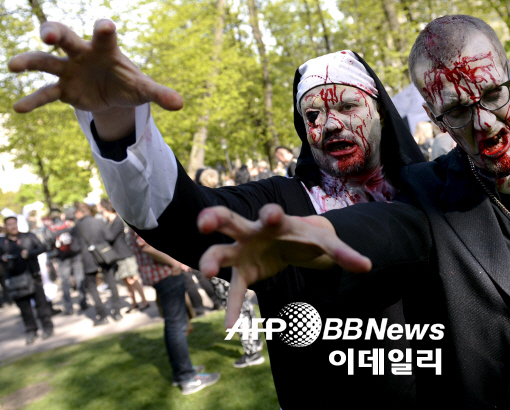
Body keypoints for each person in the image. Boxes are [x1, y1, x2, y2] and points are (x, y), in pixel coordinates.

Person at [195, 15, 510, 409]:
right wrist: (307, 237)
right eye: (458, 110)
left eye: (491, 94)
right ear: (431, 114)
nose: (483, 123)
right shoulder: (429, 193)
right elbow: (381, 228)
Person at [8, 21, 424, 409]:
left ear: (382, 112)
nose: (330, 124)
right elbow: (183, 218)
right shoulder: (281, 203)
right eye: (312, 115)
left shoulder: (429, 191)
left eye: (348, 106)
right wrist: (116, 123)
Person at [130, 230, 220, 394]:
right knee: (177, 327)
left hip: (164, 274)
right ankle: (188, 377)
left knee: (173, 325)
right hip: (166, 274)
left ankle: (181, 371)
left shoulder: (136, 211)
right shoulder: (139, 210)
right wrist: (176, 263)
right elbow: (148, 246)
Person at [0, 215, 53, 344]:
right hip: (15, 280)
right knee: (25, 309)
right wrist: (3, 258)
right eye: (10, 224)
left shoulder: (28, 236)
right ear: (6, 227)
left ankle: (47, 327)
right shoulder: (2, 243)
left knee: (41, 305)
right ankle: (31, 330)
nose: (13, 226)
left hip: (33, 276)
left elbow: (43, 247)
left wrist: (29, 253)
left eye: (14, 223)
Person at [71, 202, 122, 325]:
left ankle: (102, 315)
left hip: (88, 261)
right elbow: (109, 236)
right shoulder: (98, 222)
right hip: (104, 256)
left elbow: (75, 247)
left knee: (93, 288)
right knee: (111, 283)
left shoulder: (76, 228)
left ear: (79, 213)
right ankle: (117, 312)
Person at [100, 199, 148, 313]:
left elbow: (110, 237)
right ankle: (134, 302)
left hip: (125, 254)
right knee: (126, 281)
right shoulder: (108, 223)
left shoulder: (117, 221)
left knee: (133, 279)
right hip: (117, 256)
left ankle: (144, 301)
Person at [44, 209, 83, 315]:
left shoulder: (50, 229)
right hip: (75, 254)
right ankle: (83, 302)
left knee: (65, 283)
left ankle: (69, 307)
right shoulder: (69, 224)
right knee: (79, 278)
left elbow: (48, 245)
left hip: (62, 257)